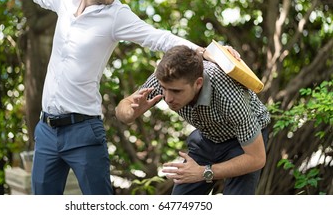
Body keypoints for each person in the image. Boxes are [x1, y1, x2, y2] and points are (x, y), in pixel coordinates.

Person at [16, 0, 241, 195]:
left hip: (83, 131)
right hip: (46, 130)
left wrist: (206, 52)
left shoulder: (116, 15)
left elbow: (159, 37)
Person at [116, 45, 270, 195]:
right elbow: (123, 107)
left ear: (198, 83)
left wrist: (204, 172)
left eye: (176, 91)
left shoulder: (230, 97)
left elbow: (256, 159)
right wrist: (131, 113)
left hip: (243, 143)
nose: (167, 98)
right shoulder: (166, 79)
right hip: (208, 137)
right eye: (164, 89)